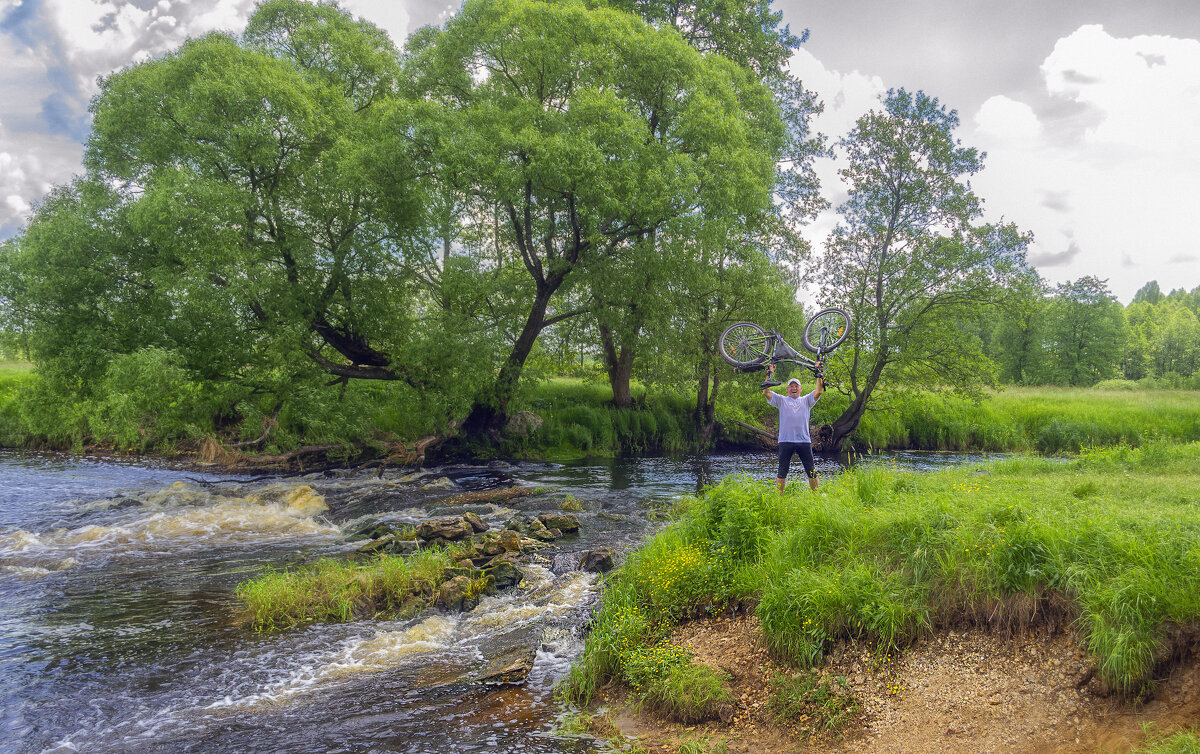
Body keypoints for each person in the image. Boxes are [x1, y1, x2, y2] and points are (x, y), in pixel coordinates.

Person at [762, 362, 823, 492]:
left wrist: (819, 374)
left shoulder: (806, 400)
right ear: (787, 389)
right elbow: (766, 393)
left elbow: (819, 391)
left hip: (804, 441)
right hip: (785, 441)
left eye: (796, 386)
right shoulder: (781, 400)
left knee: (811, 470)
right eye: (791, 386)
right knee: (782, 471)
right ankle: (780, 498)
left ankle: (816, 496)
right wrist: (769, 374)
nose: (793, 388)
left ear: (800, 389)